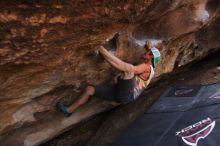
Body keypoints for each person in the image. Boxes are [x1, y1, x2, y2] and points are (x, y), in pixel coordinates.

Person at [57, 41, 161, 117]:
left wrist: (102, 50)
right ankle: (69, 110)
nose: (145, 52)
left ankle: (102, 51)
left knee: (128, 71)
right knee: (90, 90)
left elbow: (131, 69)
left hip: (126, 94)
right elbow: (153, 56)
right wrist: (149, 48)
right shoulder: (151, 68)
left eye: (148, 52)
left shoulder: (146, 67)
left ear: (151, 57)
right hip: (122, 94)